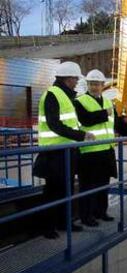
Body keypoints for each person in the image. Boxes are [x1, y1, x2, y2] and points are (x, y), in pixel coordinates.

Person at [33, 61, 96, 239]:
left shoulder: (66, 95)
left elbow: (68, 123)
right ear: (68, 79)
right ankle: (48, 227)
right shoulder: (53, 95)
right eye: (75, 79)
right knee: (53, 191)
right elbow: (54, 125)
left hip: (66, 151)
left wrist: (81, 134)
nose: (77, 82)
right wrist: (80, 136)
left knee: (65, 190)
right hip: (54, 152)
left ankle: (63, 222)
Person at [75, 69, 127, 227]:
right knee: (87, 187)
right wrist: (105, 113)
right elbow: (86, 120)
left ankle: (101, 212)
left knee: (103, 184)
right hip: (88, 152)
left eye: (97, 84)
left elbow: (117, 123)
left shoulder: (108, 102)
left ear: (103, 85)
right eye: (91, 84)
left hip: (106, 150)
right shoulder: (79, 101)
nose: (94, 87)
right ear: (87, 85)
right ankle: (86, 217)